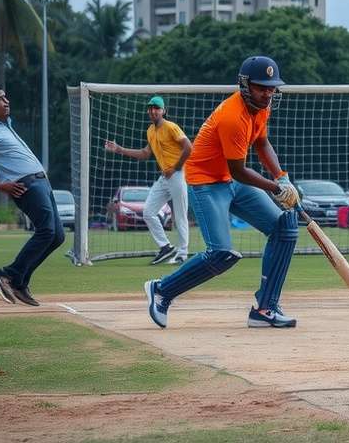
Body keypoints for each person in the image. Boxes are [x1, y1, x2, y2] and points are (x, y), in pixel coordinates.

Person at [143, 56, 301, 329]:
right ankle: (161, 290)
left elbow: (262, 144)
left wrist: (282, 177)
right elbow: (239, 170)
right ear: (245, 85)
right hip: (206, 183)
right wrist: (276, 189)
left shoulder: (262, 107)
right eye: (261, 87)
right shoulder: (233, 116)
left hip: (231, 181)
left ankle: (265, 309)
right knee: (221, 253)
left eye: (271, 87)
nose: (267, 93)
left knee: (285, 228)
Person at [0, 83, 65, 306]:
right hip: (25, 185)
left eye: (6, 97)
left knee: (57, 236)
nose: (6, 101)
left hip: (42, 183)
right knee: (46, 230)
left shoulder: (4, 125)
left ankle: (19, 283)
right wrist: (2, 186)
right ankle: (7, 274)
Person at [105, 96, 192, 265]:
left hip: (176, 175)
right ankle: (166, 247)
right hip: (164, 177)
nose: (153, 111)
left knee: (180, 215)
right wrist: (119, 149)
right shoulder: (150, 130)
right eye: (150, 108)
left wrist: (176, 167)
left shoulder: (171, 127)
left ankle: (182, 253)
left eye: (156, 108)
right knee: (148, 212)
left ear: (163, 111)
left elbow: (188, 147)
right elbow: (145, 154)